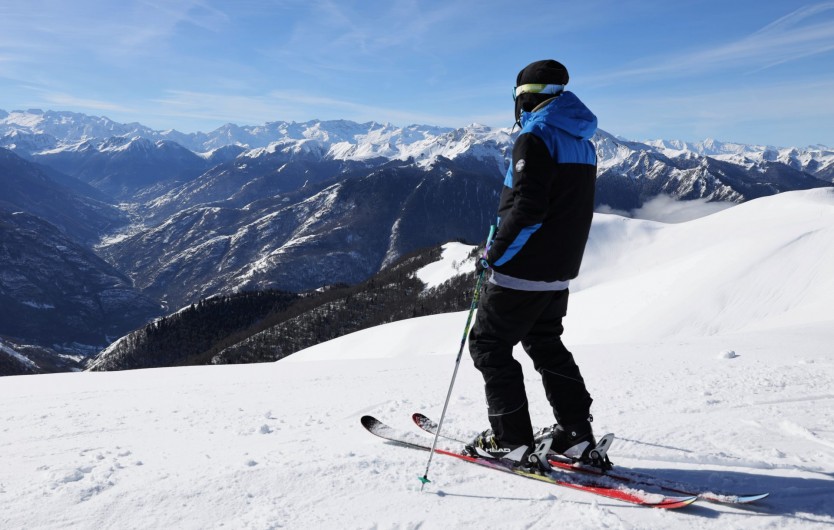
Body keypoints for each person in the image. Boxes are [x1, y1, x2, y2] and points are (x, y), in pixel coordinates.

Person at [465, 59, 599, 466]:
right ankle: (576, 434)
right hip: (559, 269)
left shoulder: (535, 136)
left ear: (524, 97)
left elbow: (528, 209)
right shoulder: (581, 140)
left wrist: (494, 255)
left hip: (522, 268)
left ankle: (511, 440)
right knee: (545, 342)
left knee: (489, 345)